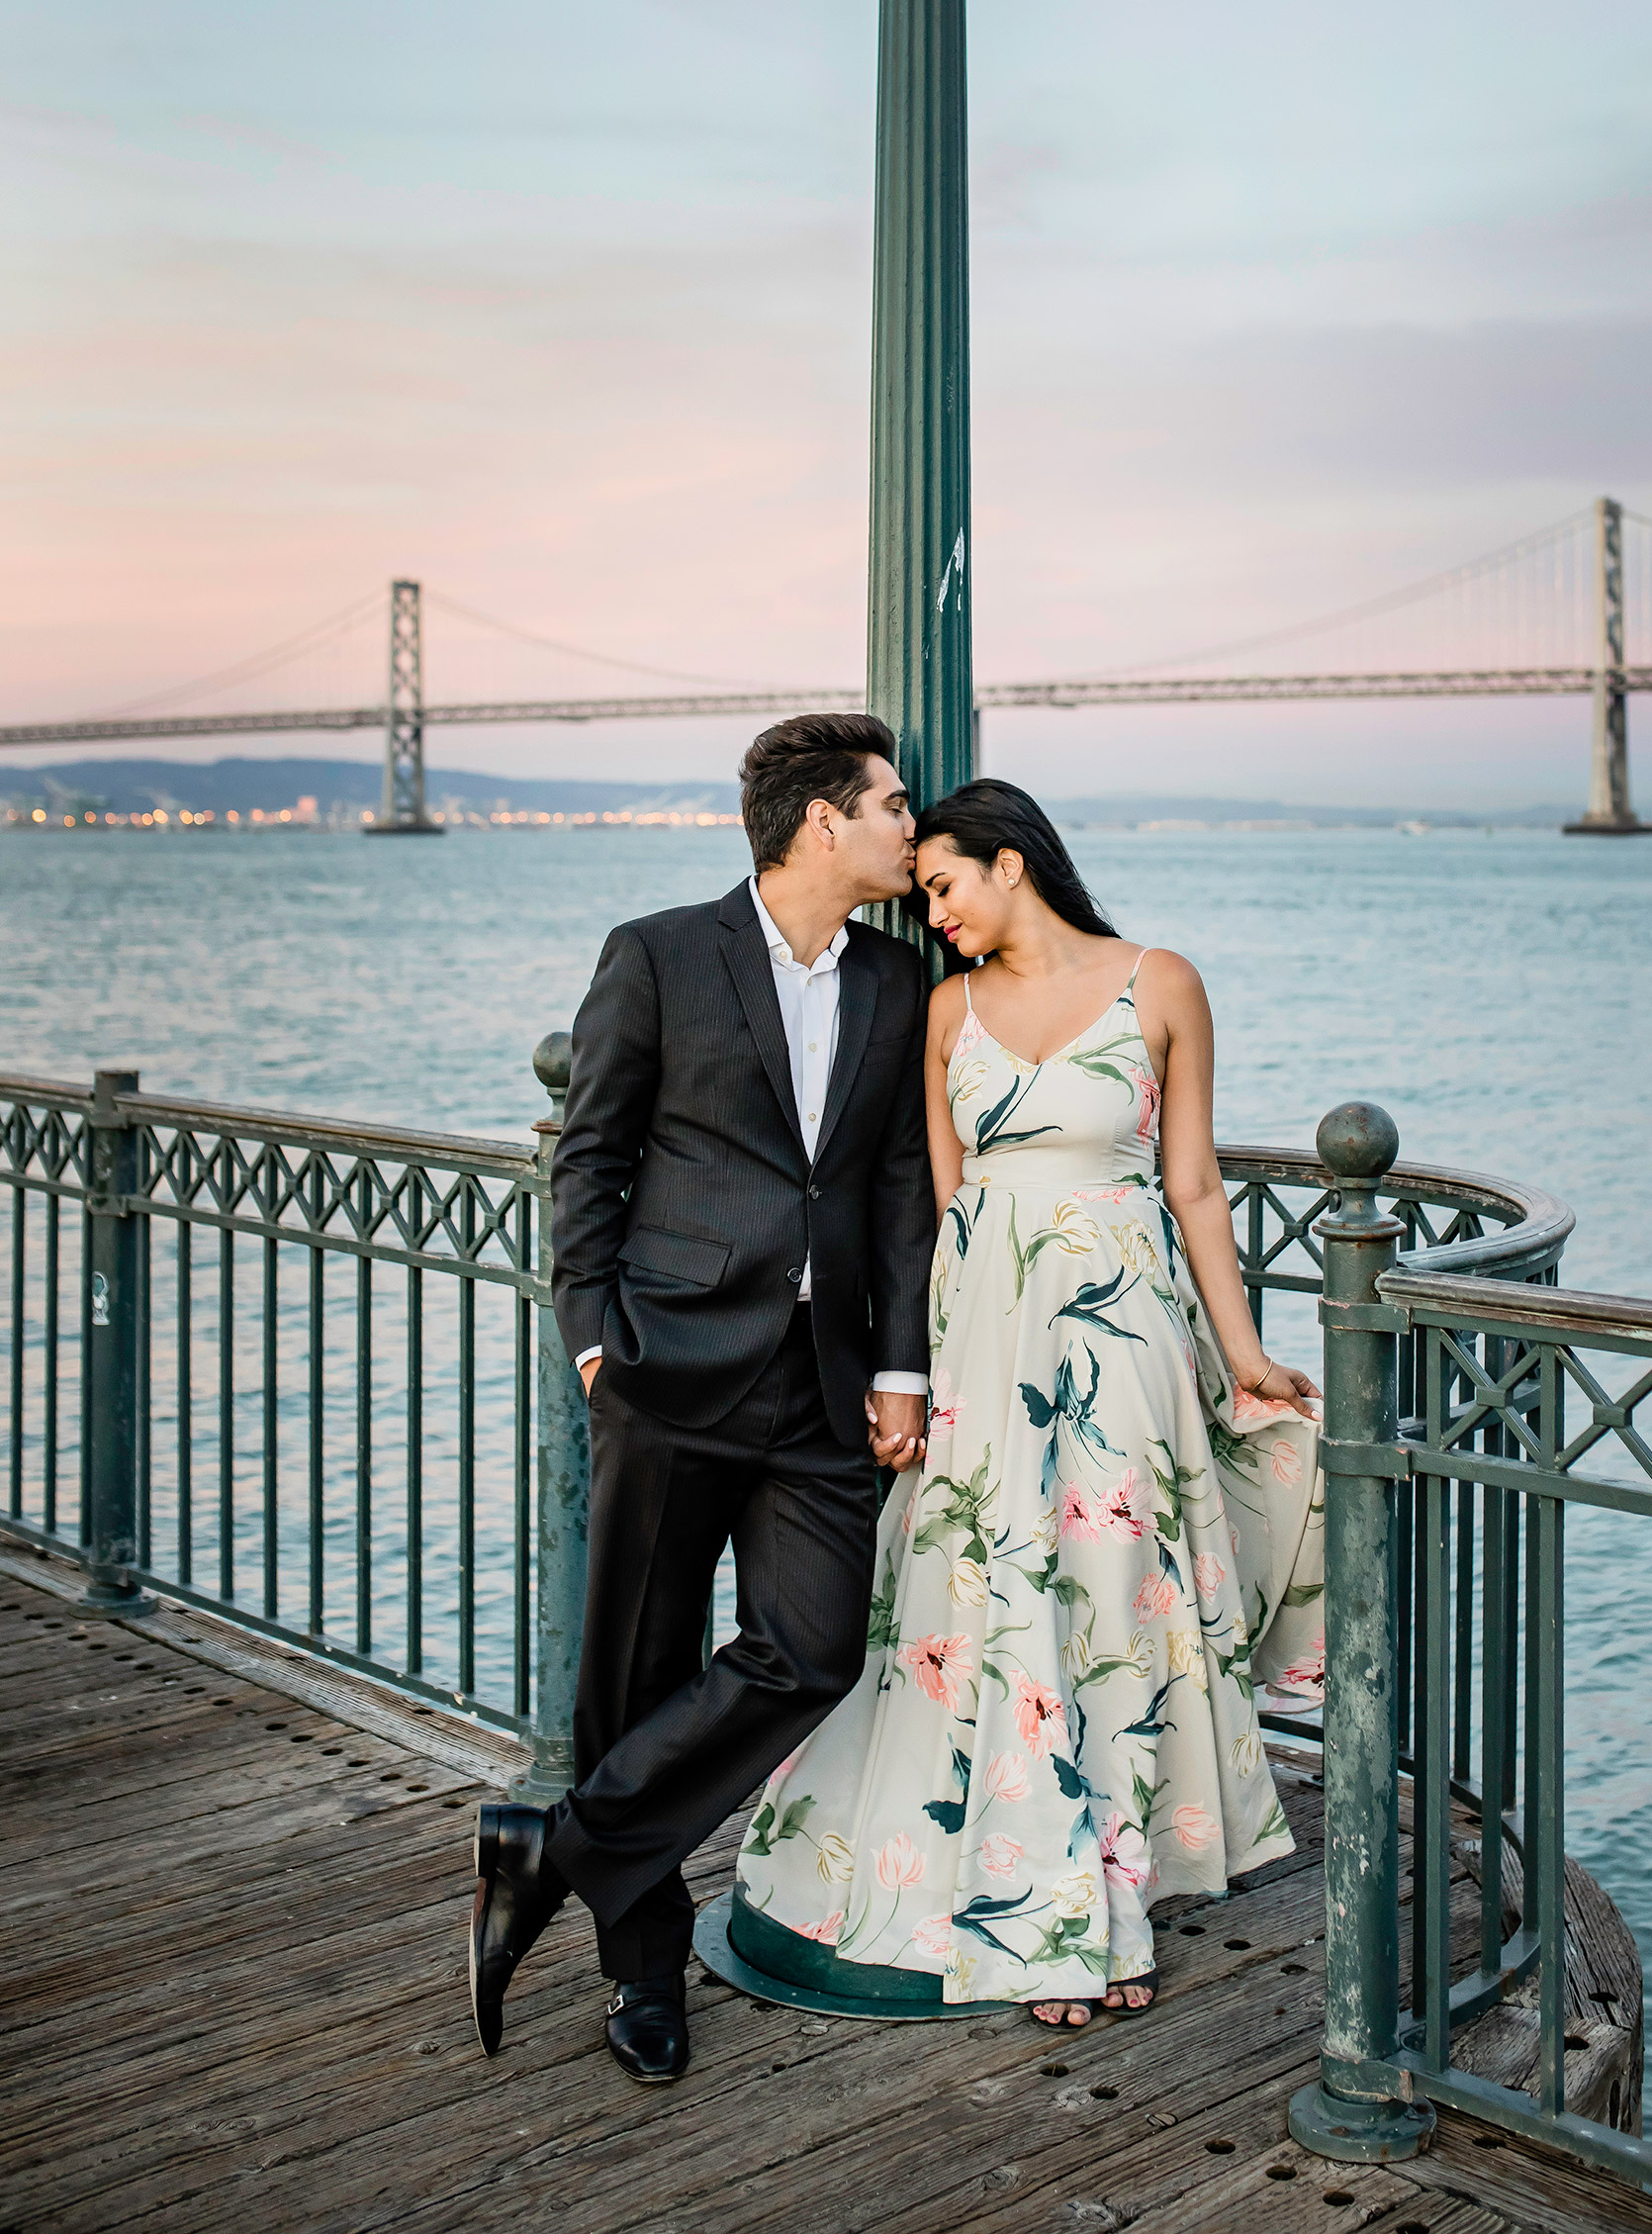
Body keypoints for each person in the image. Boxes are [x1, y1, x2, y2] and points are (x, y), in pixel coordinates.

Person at [737, 780, 1326, 2026]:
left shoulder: (1159, 982)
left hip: (1125, 1339)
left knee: (1110, 1602)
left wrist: (1245, 1351)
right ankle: (1045, 1918)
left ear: (1011, 863)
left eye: (942, 886)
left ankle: (1111, 1899)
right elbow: (932, 1213)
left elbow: (1197, 1188)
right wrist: (908, 1370)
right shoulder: (945, 1012)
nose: (931, 913)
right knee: (998, 1605)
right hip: (987, 1343)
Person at [469, 711, 938, 2081]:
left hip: (826, 1386)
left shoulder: (897, 982)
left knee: (813, 1645)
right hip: (667, 1366)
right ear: (821, 823)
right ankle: (644, 1975)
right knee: (639, 1672)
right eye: (894, 806)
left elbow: (899, 1189)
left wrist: (899, 1363)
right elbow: (591, 1154)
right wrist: (594, 1340)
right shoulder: (662, 953)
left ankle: (553, 1849)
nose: (914, 827)